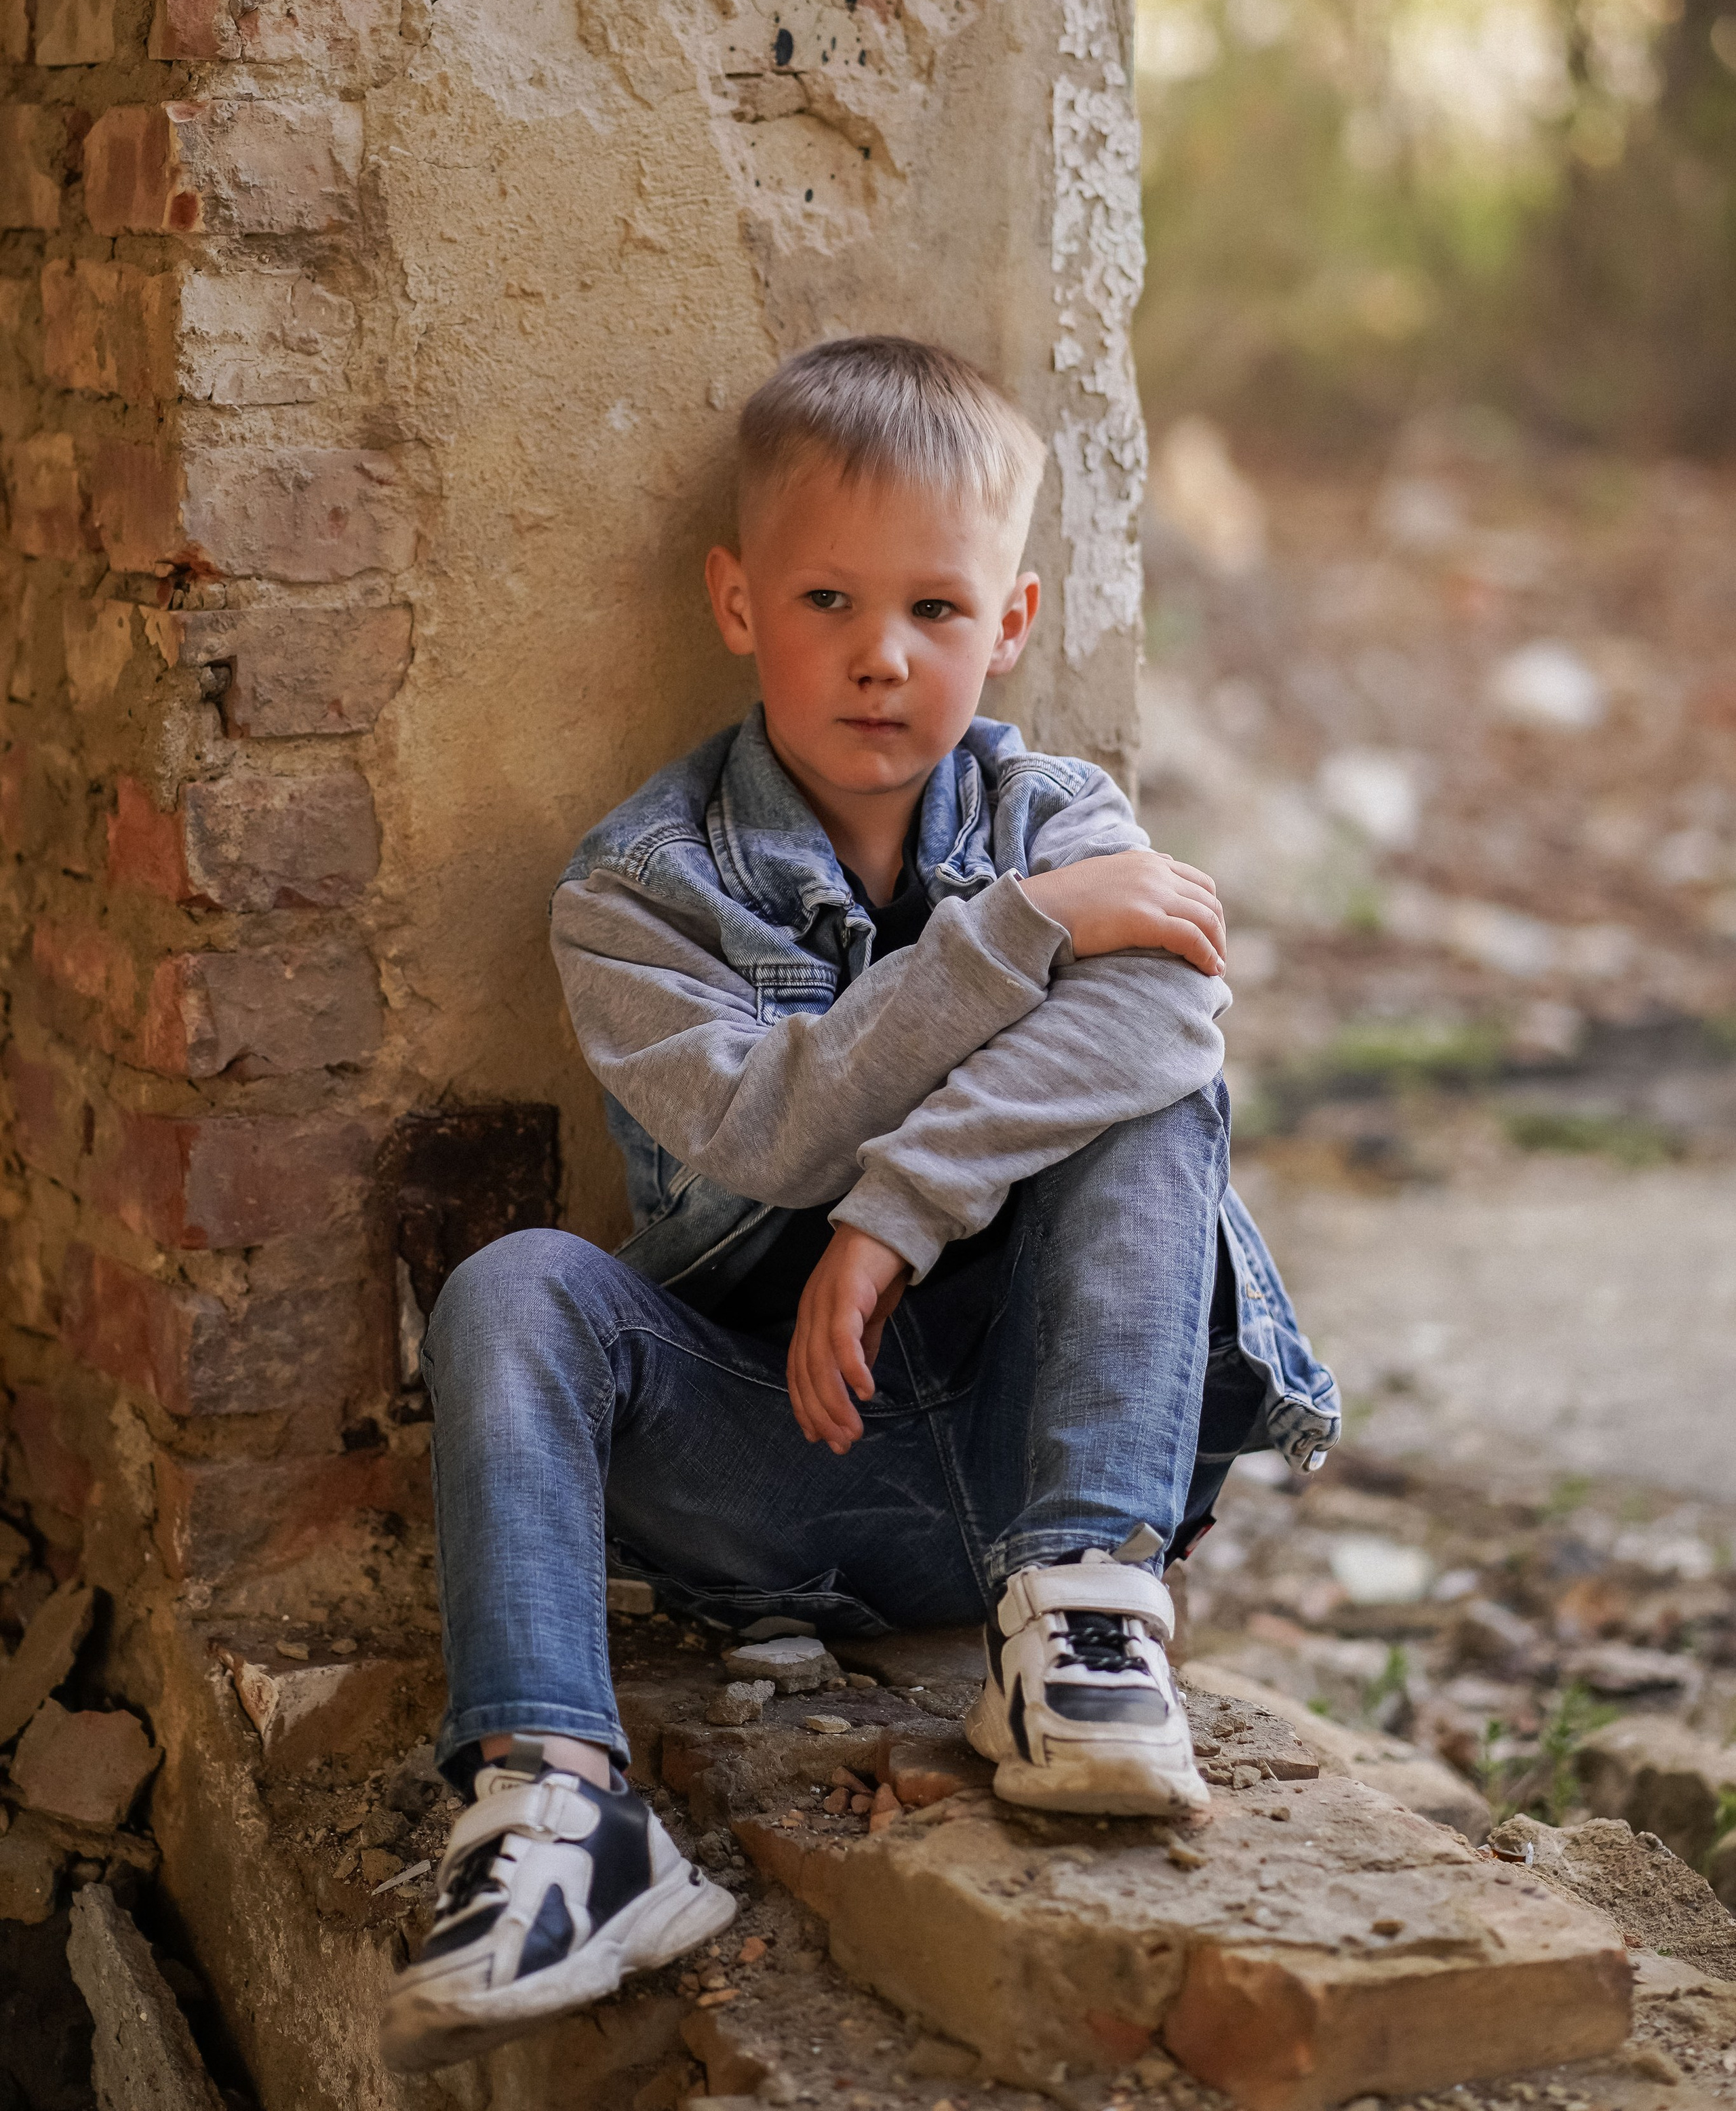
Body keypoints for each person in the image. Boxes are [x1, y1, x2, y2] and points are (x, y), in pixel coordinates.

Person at [381, 338, 1338, 2072]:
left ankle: (1080, 1624)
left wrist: (899, 1212)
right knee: (513, 1284)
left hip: (1060, 1426)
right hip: (779, 1462)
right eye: (827, 598)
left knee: (1147, 1099)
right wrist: (1023, 938)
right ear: (738, 602)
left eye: (935, 611)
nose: (883, 656)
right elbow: (760, 1130)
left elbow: (1174, 1016)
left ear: (1012, 624)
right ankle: (558, 1807)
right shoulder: (635, 889)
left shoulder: (1059, 811)